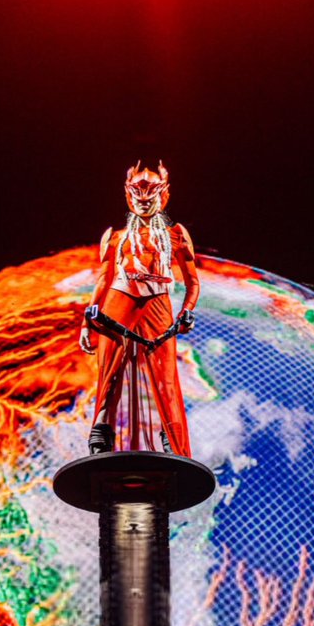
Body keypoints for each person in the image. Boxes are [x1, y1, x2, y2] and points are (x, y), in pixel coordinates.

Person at [79, 162, 199, 458]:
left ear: (163, 196)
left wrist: (187, 310)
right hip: (117, 304)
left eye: (151, 197)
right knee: (111, 373)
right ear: (128, 197)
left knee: (165, 377)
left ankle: (172, 442)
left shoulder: (176, 235)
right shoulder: (115, 237)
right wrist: (86, 323)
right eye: (137, 197)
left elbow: (193, 282)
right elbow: (103, 280)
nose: (144, 203)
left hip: (158, 306)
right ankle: (101, 440)